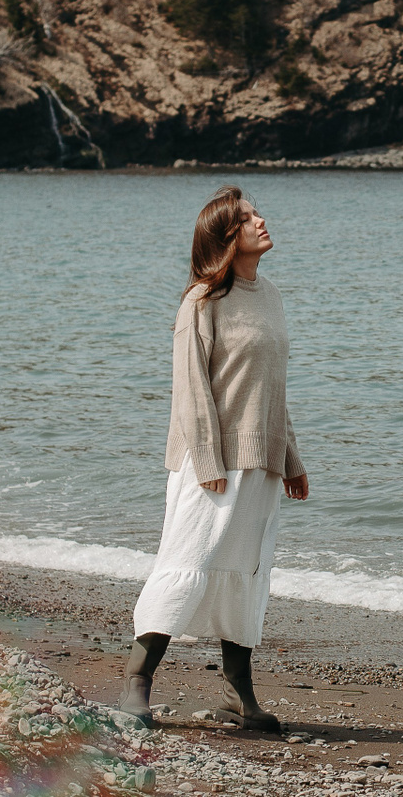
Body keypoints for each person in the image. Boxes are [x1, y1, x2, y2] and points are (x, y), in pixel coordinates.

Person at [119, 185, 309, 732]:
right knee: (186, 563)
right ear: (226, 237)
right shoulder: (202, 301)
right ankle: (136, 680)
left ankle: (238, 693)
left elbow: (271, 389)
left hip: (260, 461)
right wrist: (207, 461)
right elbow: (191, 389)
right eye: (246, 218)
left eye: (257, 212)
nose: (261, 221)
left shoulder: (270, 296)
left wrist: (290, 457)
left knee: (246, 571)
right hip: (212, 464)